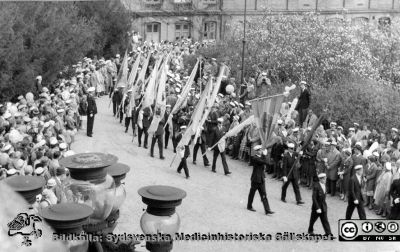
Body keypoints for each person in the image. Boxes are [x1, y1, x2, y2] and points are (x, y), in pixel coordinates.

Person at [247, 145, 275, 215]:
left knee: (264, 194)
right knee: (252, 193)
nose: (260, 151)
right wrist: (265, 155)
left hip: (261, 178)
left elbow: (267, 162)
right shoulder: (255, 158)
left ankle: (267, 209)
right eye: (259, 150)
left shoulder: (260, 157)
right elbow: (263, 162)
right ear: (256, 151)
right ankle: (249, 206)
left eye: (261, 150)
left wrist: (265, 155)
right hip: (255, 179)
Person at [308, 173, 334, 237]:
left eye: (325, 178)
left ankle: (328, 233)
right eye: (324, 179)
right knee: (313, 219)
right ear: (320, 179)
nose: (325, 180)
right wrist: (317, 208)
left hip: (323, 206)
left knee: (325, 220)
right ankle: (310, 230)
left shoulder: (325, 185)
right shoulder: (316, 186)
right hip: (317, 207)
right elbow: (314, 198)